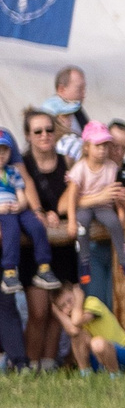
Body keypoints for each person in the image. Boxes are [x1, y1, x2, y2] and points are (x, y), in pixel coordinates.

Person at [58, 124, 125, 302]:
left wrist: (122, 211)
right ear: (87, 147)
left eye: (105, 145)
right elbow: (70, 198)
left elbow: (117, 193)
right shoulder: (80, 168)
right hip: (86, 211)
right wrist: (71, 220)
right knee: (82, 223)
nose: (102, 150)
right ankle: (84, 260)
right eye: (98, 145)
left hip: (105, 209)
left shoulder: (112, 168)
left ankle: (124, 261)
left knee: (114, 223)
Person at [0, 127, 63, 299]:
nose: (1, 155)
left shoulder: (12, 171)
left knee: (36, 225)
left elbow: (21, 192)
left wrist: (20, 206)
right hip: (3, 212)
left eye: (4, 151)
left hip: (16, 208)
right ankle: (10, 271)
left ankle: (44, 266)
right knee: (11, 230)